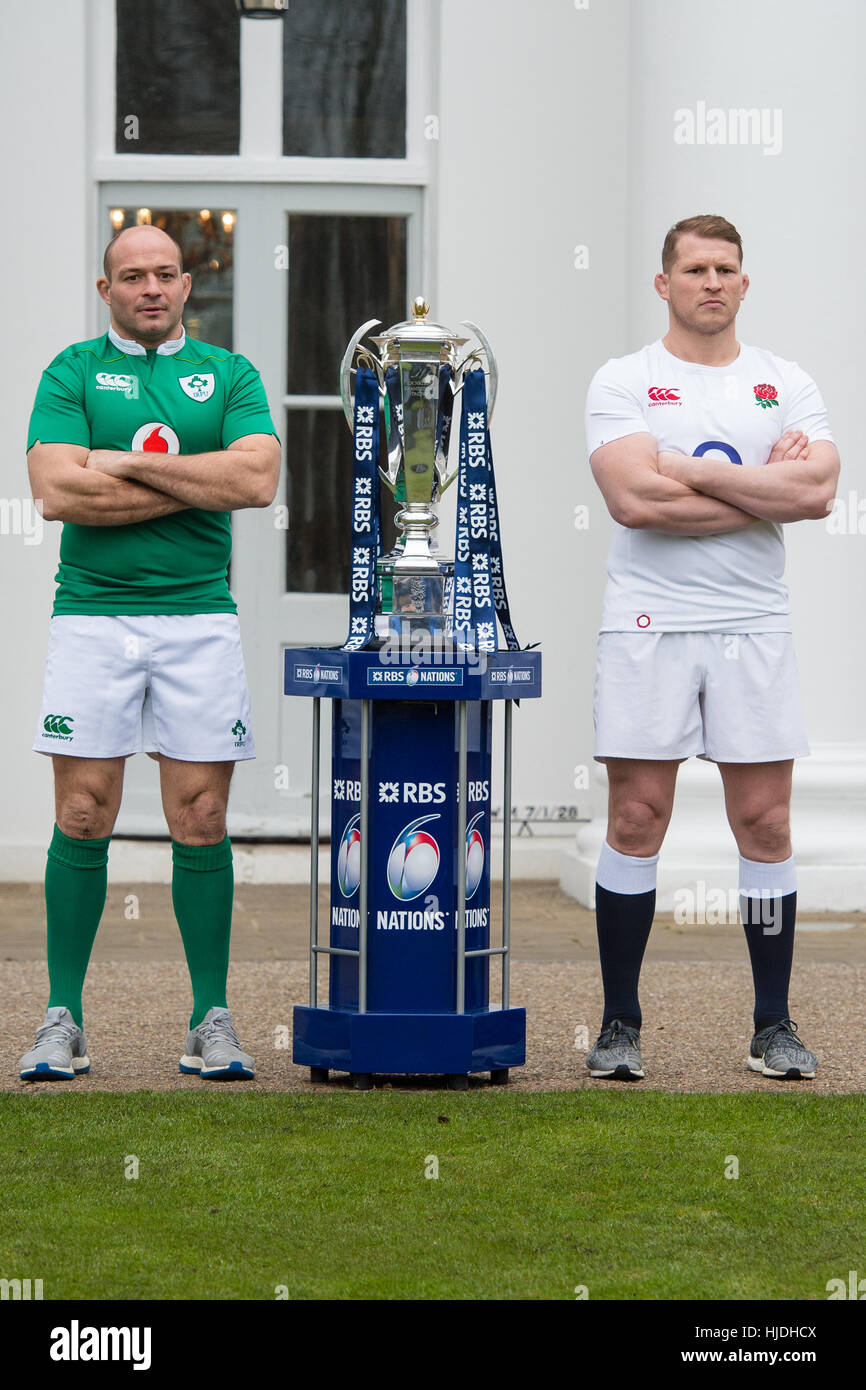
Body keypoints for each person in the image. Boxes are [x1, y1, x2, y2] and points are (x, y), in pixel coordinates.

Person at [19, 224, 280, 1082]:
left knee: (200, 818)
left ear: (186, 283)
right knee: (84, 813)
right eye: (133, 276)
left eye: (166, 273)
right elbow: (58, 491)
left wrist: (121, 464)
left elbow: (255, 481)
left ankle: (211, 1016)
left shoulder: (231, 374)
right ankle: (64, 1016)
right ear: (107, 291)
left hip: (198, 618)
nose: (152, 288)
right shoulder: (70, 371)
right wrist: (190, 483)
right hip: (92, 617)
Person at [583, 214, 839, 1082]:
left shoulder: (784, 381)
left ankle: (773, 1026)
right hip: (649, 621)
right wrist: (768, 489)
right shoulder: (626, 379)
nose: (712, 282)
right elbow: (632, 503)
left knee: (765, 823)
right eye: (694, 268)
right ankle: (620, 1024)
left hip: (752, 625)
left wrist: (687, 467)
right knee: (635, 819)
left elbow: (820, 490)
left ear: (745, 281)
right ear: (665, 283)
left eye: (726, 268)